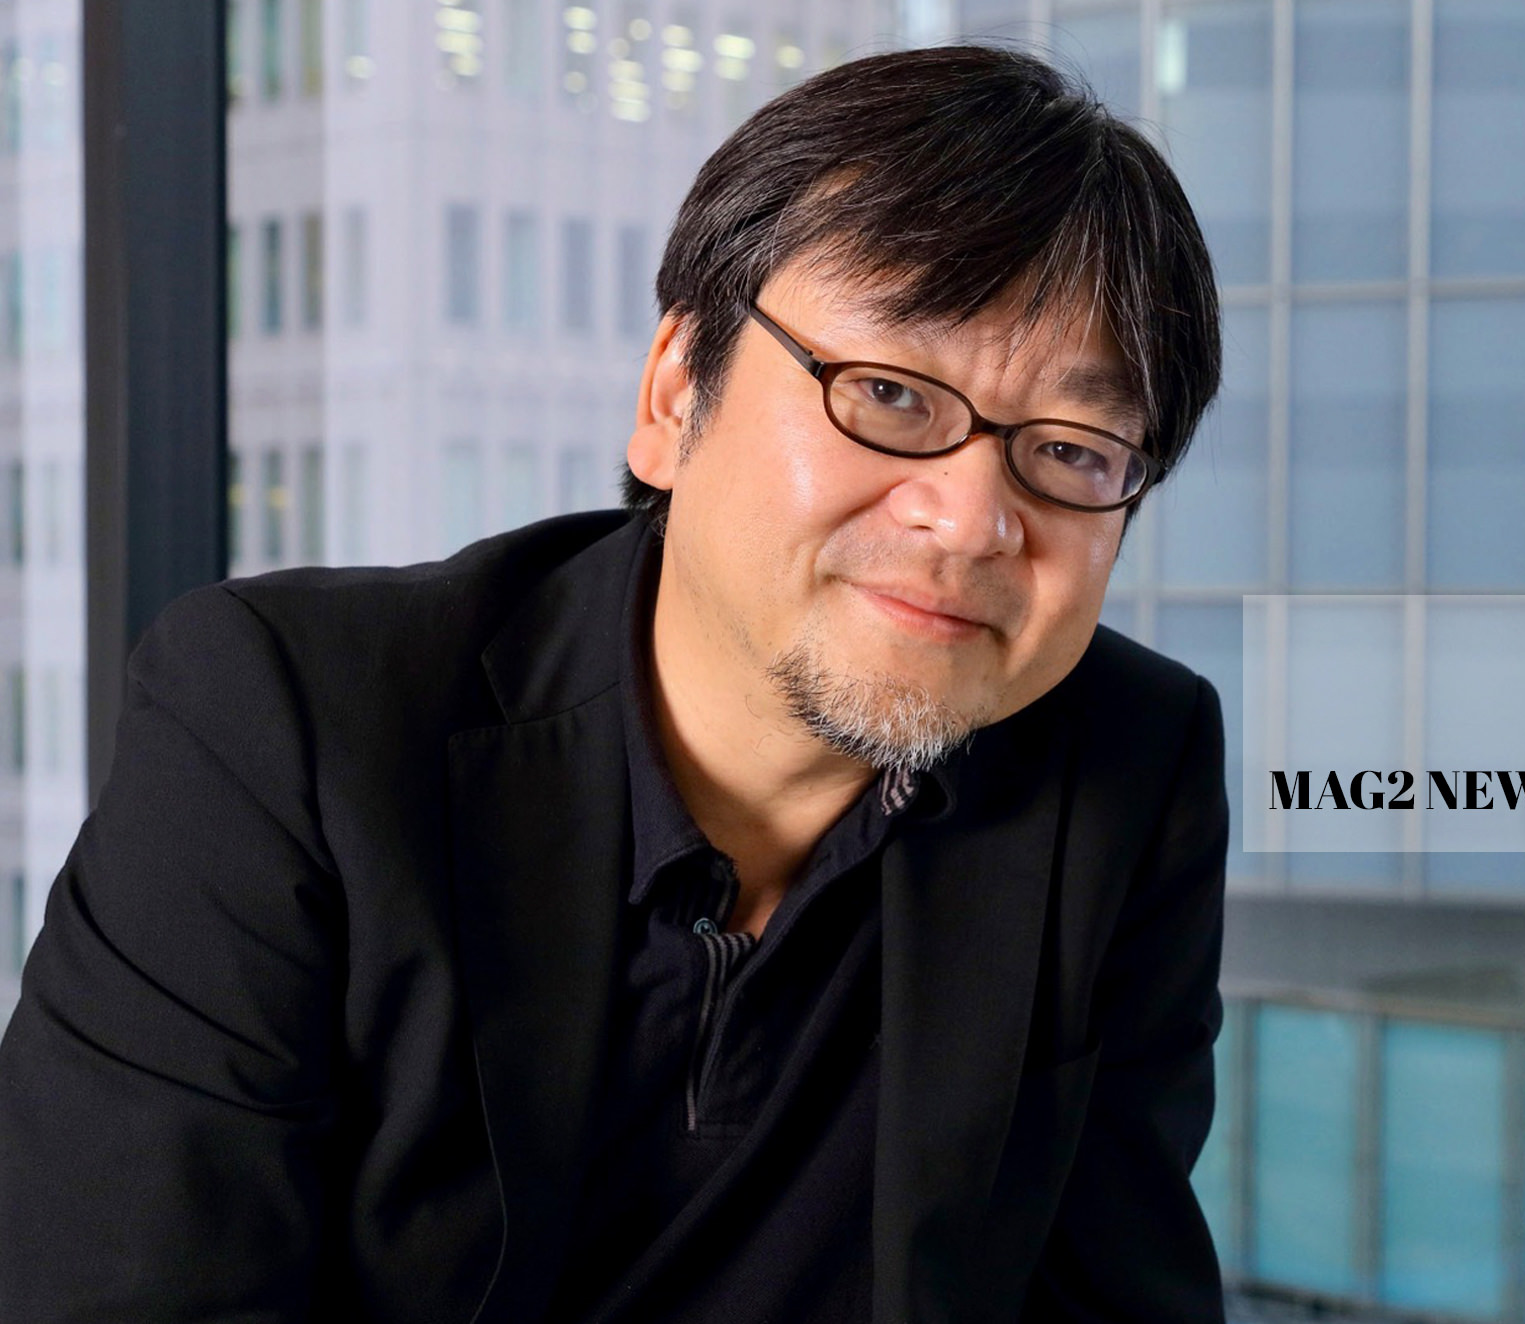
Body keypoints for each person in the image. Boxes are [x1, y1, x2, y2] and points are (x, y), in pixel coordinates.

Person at [0, 42, 1226, 1324]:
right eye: (887, 393)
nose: (972, 519)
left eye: (1071, 451)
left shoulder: (1132, 767)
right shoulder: (284, 720)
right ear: (674, 393)